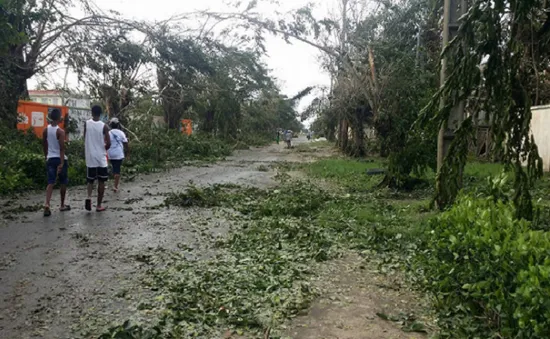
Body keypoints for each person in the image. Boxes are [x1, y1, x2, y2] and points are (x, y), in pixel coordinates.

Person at [42, 108, 70, 217]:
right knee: (63, 182)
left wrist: (46, 156)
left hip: (50, 158)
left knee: (50, 182)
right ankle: (62, 205)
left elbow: (44, 144)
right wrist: (62, 163)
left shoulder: (46, 130)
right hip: (59, 158)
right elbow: (62, 148)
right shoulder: (60, 132)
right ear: (59, 118)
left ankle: (47, 203)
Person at [84, 105, 111, 212]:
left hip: (90, 157)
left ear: (91, 112)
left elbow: (85, 138)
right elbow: (109, 143)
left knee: (90, 180)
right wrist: (103, 148)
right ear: (100, 113)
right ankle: (99, 205)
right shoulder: (104, 126)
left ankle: (89, 197)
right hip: (101, 157)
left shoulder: (86, 124)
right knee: (101, 181)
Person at [108, 118, 129, 193]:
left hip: (110, 154)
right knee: (117, 170)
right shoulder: (121, 133)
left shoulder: (108, 133)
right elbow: (126, 143)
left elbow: (105, 142)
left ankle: (114, 179)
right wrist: (127, 153)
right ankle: (115, 186)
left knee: (114, 167)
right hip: (119, 154)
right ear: (118, 125)